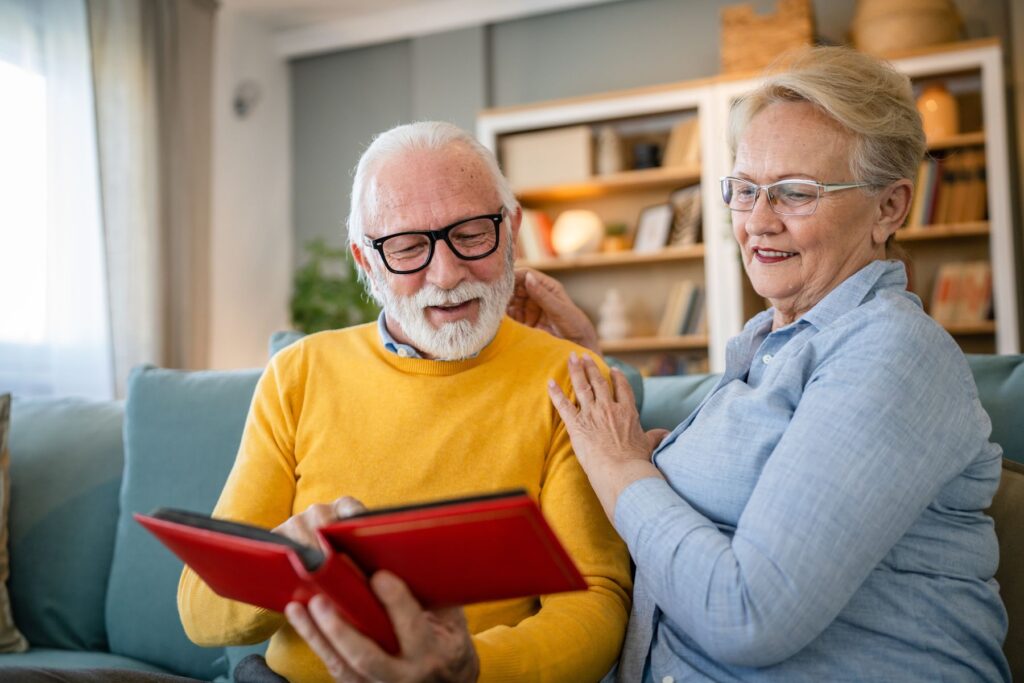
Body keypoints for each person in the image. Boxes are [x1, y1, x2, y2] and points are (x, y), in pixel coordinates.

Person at [513, 46, 1010, 682]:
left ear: (889, 208)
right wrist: (583, 357)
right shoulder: (765, 345)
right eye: (745, 190)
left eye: (795, 193)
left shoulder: (893, 353)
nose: (757, 222)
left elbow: (747, 614)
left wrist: (620, 470)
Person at [177, 122, 632, 683]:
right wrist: (287, 561)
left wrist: (465, 670)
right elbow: (201, 611)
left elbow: (596, 601)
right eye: (409, 247)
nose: (446, 274)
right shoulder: (298, 373)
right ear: (366, 261)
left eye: (472, 234)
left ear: (512, 228)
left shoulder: (569, 377)